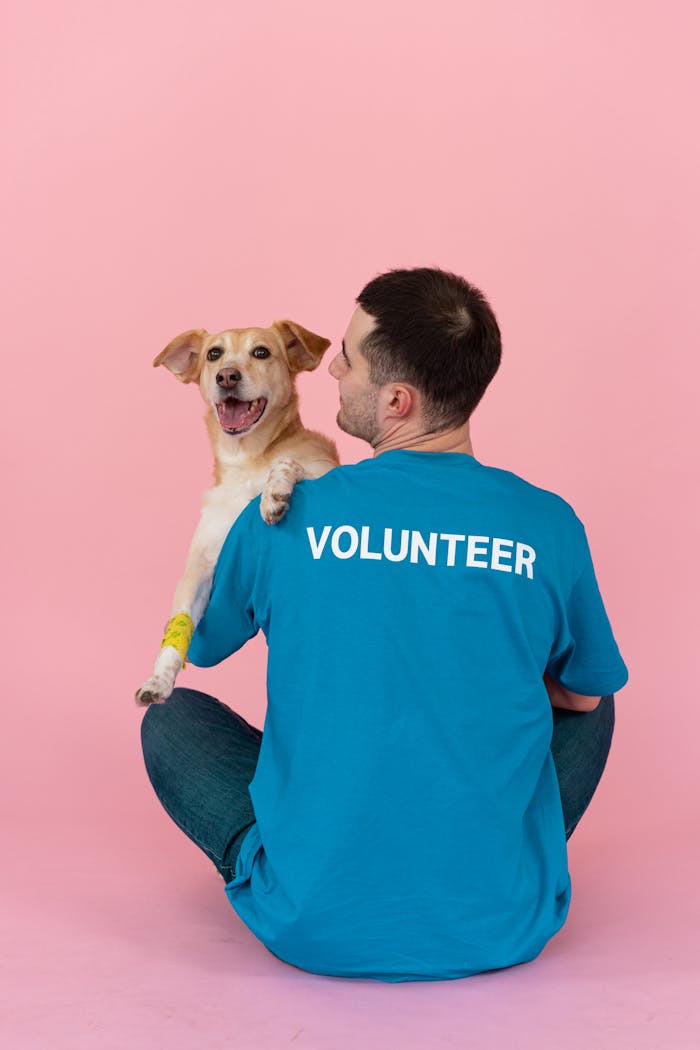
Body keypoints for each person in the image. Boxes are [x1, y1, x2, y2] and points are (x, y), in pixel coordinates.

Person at [140, 266, 629, 983]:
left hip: (309, 921)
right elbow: (582, 699)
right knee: (596, 689)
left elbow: (204, 646)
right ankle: (502, 858)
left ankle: (285, 859)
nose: (331, 368)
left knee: (170, 717)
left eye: (349, 358)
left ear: (397, 401)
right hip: (499, 921)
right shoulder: (547, 523)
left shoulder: (279, 515)